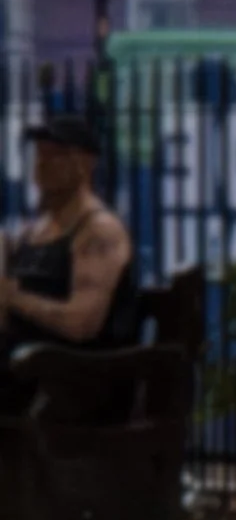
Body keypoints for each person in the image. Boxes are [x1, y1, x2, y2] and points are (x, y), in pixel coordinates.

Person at [1, 115, 140, 377]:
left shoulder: (99, 231)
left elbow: (82, 324)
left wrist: (13, 298)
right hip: (21, 370)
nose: (43, 163)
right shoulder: (30, 233)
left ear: (85, 164)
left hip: (74, 379)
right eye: (41, 153)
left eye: (56, 155)